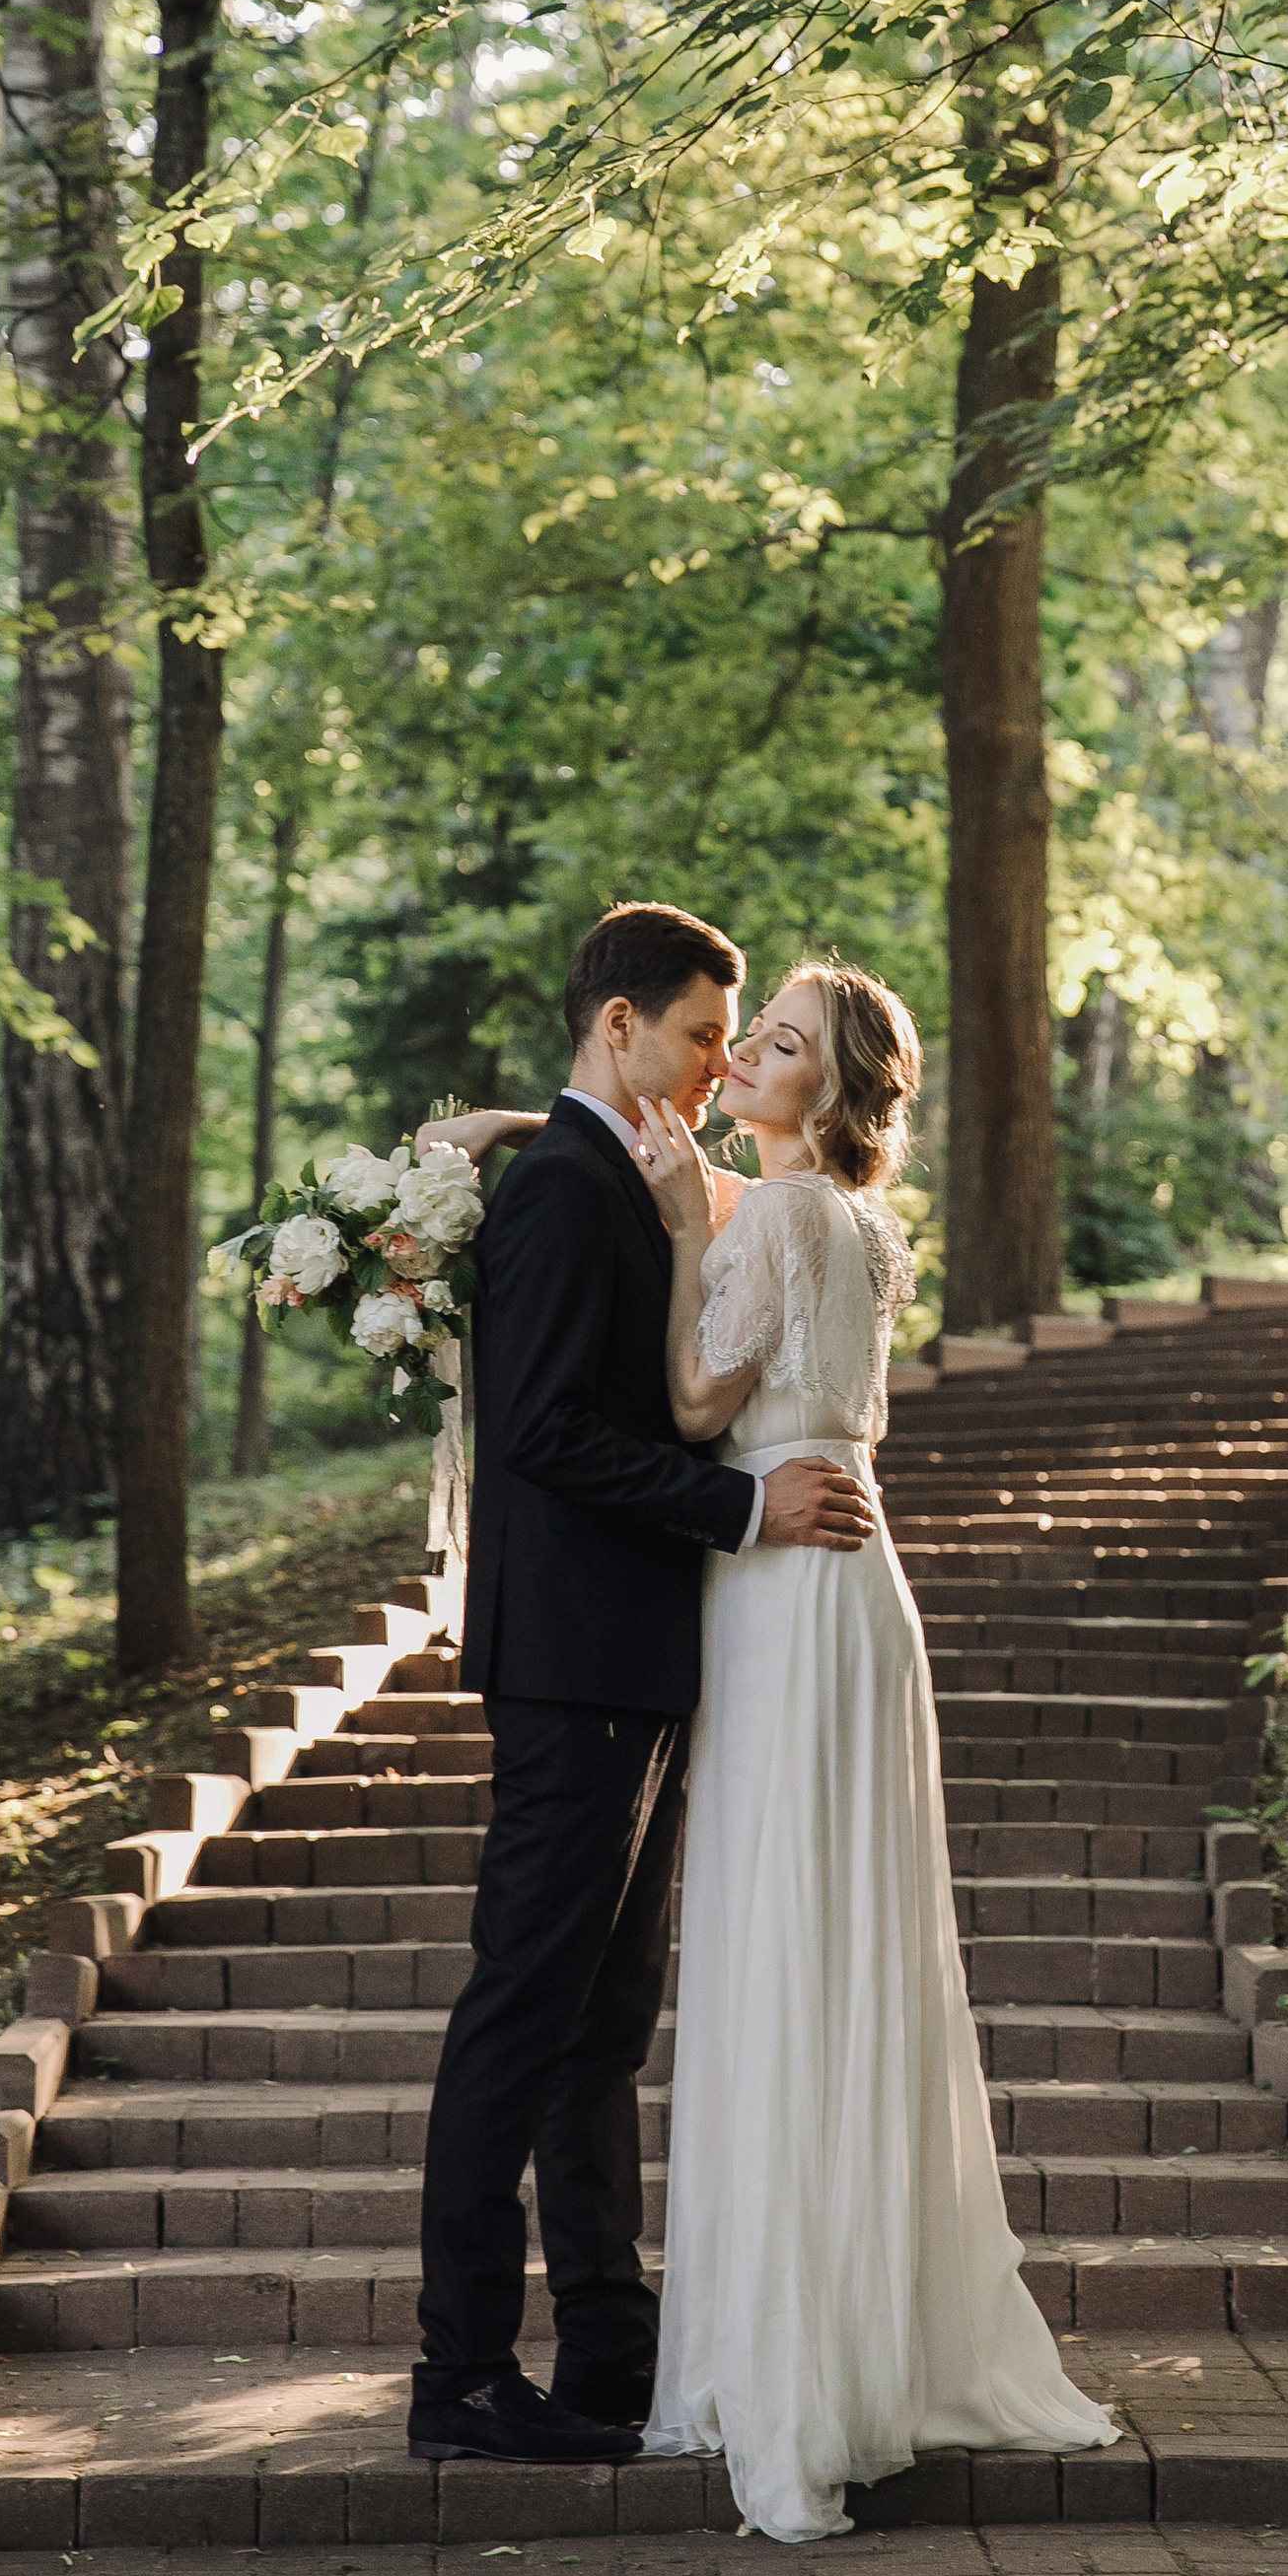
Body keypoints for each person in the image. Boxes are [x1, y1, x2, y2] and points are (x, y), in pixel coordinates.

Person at [631, 960, 1117, 2541]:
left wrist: (686, 1235)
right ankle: (867, 2348)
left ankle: (786, 2378)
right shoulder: (861, 1223)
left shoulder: (767, 1222)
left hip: (780, 1581)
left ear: (825, 1092)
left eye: (773, 1043)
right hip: (856, 1587)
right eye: (745, 1033)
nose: (743, 1056)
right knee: (851, 1946)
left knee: (783, 1940)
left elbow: (704, 1404)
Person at [406, 902, 873, 2471]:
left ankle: (610, 2348)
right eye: (696, 1034)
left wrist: (525, 1115)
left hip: (649, 1665)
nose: (718, 1061)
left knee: (605, 2024)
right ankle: (461, 2377)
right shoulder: (559, 1195)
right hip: (572, 1668)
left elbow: (730, 1184)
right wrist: (743, 1510)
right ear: (623, 1025)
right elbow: (541, 1432)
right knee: (522, 2015)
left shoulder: (620, 1163)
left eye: (737, 1041)